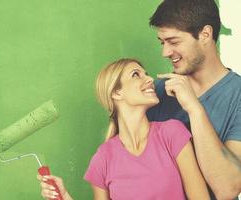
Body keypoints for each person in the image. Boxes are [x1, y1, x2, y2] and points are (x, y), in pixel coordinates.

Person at [37, 58, 210, 200]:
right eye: (136, 75)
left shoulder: (172, 133)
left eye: (146, 74)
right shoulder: (103, 158)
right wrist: (64, 195)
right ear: (116, 93)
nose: (149, 79)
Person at [147, 0, 241, 199]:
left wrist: (194, 109)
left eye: (174, 42)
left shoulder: (238, 95)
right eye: (162, 42)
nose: (165, 52)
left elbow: (228, 187)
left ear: (205, 34)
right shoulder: (156, 92)